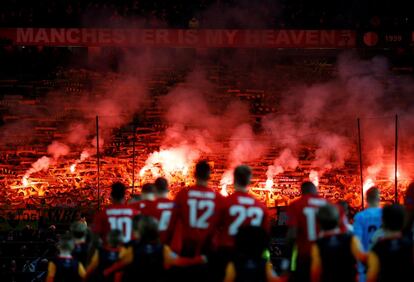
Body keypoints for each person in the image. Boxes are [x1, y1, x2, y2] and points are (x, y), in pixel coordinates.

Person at [103, 216, 206, 282]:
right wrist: (198, 260)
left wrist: (108, 270)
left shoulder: (131, 249)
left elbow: (118, 268)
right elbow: (179, 261)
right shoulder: (163, 249)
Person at [216, 165, 269, 281]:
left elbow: (215, 228)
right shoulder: (261, 207)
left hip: (227, 253)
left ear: (234, 179)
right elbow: (266, 237)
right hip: (252, 258)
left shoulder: (224, 203)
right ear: (250, 181)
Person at [171, 160, 224, 257]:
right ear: (209, 176)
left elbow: (172, 220)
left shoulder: (183, 194)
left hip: (187, 246)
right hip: (208, 249)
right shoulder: (218, 198)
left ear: (194, 175)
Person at [310, 204, 366, 282]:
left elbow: (315, 272)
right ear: (339, 220)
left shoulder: (318, 244)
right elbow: (363, 259)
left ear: (319, 223)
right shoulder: (351, 239)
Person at [286, 181, 329, 282]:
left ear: (302, 191)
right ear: (316, 190)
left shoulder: (296, 204)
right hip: (327, 254)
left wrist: (287, 253)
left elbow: (292, 234)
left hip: (305, 254)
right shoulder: (329, 204)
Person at [366, 204, 414, 282]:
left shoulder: (377, 248)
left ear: (383, 220)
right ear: (403, 220)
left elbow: (371, 277)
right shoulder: (410, 243)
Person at [353, 187, 382, 282]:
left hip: (365, 263)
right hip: (382, 262)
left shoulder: (360, 216)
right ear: (379, 199)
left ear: (366, 199)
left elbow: (356, 240)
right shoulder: (385, 215)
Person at [152, 177, 175, 244]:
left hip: (153, 245)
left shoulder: (149, 205)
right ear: (167, 189)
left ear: (155, 189)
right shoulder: (175, 206)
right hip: (169, 244)